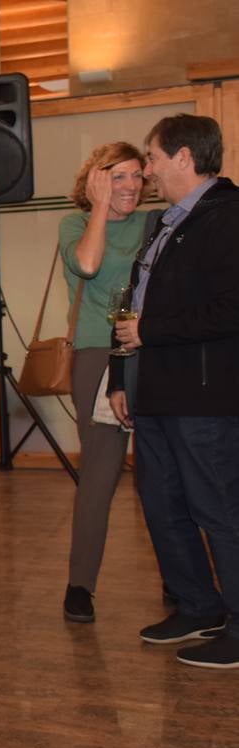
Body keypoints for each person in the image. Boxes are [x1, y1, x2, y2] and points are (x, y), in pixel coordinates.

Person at [109, 114, 239, 669]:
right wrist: (120, 377)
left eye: (154, 159)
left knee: (218, 508)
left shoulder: (229, 217)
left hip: (204, 395)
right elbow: (134, 304)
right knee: (163, 505)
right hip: (156, 389)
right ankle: (197, 605)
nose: (149, 171)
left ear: (185, 157)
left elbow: (229, 309)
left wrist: (151, 332)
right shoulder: (165, 222)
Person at [58, 142, 152, 623]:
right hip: (99, 355)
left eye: (137, 175)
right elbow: (89, 266)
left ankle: (183, 586)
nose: (131, 186)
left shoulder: (156, 223)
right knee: (100, 476)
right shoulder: (75, 224)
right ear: (95, 179)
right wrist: (98, 207)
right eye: (118, 176)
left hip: (154, 350)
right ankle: (80, 586)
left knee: (164, 476)